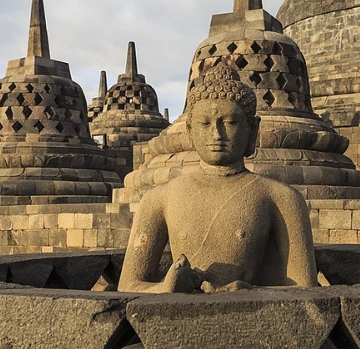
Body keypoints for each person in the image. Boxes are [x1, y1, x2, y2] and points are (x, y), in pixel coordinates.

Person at [118, 61, 318, 293]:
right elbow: (128, 286)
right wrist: (166, 287)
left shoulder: (280, 198)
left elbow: (306, 290)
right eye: (205, 123)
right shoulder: (159, 198)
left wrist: (251, 291)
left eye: (230, 123)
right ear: (191, 132)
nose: (216, 134)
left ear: (252, 130)